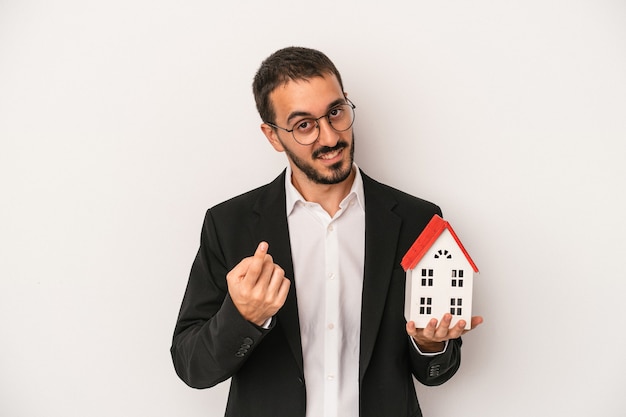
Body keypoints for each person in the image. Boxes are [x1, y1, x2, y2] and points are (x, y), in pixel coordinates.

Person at [170, 46, 483, 417]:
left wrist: (430, 345)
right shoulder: (229, 224)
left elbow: (435, 373)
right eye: (304, 125)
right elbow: (193, 368)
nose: (330, 137)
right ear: (273, 136)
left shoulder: (419, 221)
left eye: (335, 112)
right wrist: (243, 317)